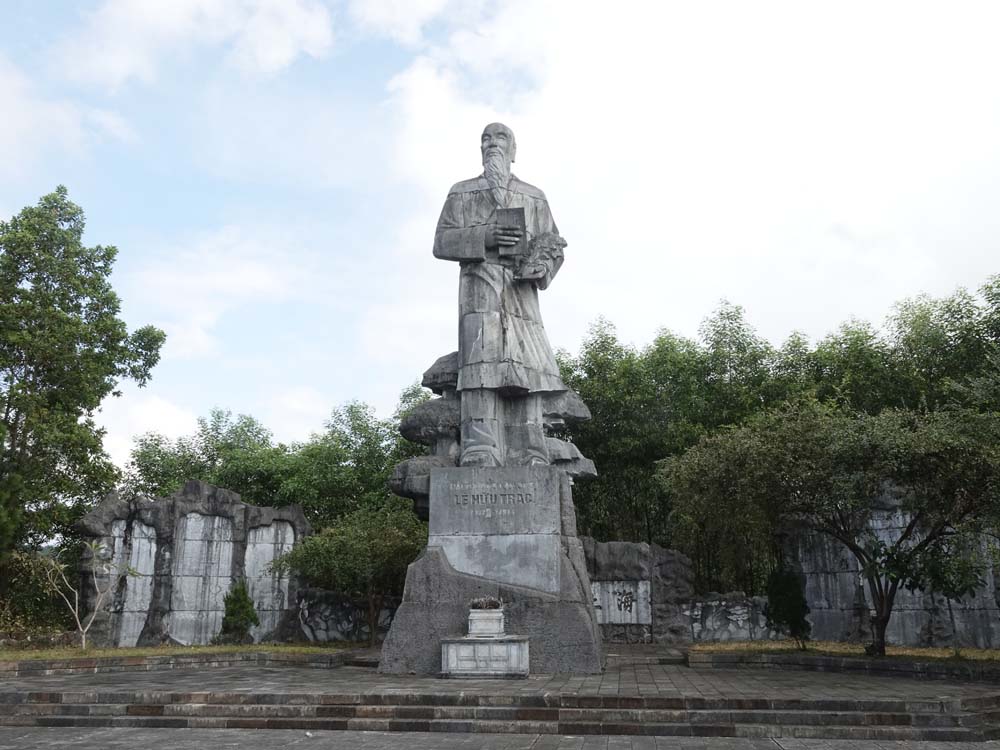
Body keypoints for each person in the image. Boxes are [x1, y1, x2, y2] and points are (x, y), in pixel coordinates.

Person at [433, 122, 569, 467]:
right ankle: (479, 448)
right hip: (479, 292)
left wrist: (543, 266)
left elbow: (554, 243)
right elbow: (441, 241)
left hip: (521, 294)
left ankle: (531, 449)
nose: (492, 143)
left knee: (526, 370)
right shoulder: (461, 192)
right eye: (485, 138)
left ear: (513, 150)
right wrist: (486, 236)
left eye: (500, 137)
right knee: (480, 367)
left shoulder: (533, 195)